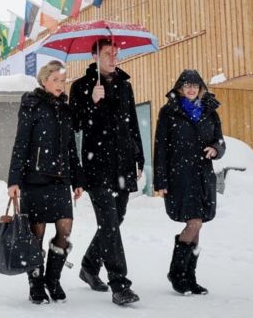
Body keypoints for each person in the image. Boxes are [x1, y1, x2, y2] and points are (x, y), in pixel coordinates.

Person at [69, 39, 144, 306]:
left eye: (116, 53)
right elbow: (75, 123)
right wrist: (91, 101)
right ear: (95, 56)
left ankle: (89, 266)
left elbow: (132, 123)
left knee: (117, 217)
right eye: (108, 54)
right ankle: (120, 284)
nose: (114, 58)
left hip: (122, 163)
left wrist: (139, 156)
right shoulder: (80, 87)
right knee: (109, 222)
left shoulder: (125, 85)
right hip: (96, 164)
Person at [8, 60, 85, 304]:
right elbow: (21, 143)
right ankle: (36, 282)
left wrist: (77, 180)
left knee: (65, 229)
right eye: (55, 80)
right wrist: (14, 179)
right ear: (44, 81)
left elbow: (72, 147)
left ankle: (53, 278)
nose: (60, 85)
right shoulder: (32, 105)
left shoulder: (65, 109)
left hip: (61, 180)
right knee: (37, 233)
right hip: (36, 179)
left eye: (63, 81)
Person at [153, 69, 226, 296]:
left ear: (201, 88)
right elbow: (161, 148)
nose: (191, 89)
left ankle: (189, 277)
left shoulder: (210, 111)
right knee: (193, 223)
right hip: (180, 176)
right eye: (187, 86)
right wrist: (161, 180)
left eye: (195, 85)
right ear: (180, 89)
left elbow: (220, 141)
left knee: (198, 224)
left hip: (203, 175)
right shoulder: (169, 112)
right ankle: (176, 273)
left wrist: (216, 149)